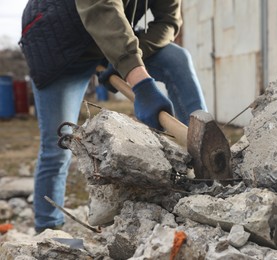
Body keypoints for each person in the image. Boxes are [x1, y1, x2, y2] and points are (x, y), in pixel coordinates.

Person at [20, 0, 207, 233]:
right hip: (59, 42)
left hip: (110, 39)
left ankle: (205, 151)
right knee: (58, 143)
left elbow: (168, 21)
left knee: (176, 58)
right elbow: (101, 7)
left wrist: (127, 61)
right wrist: (141, 83)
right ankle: (49, 229)